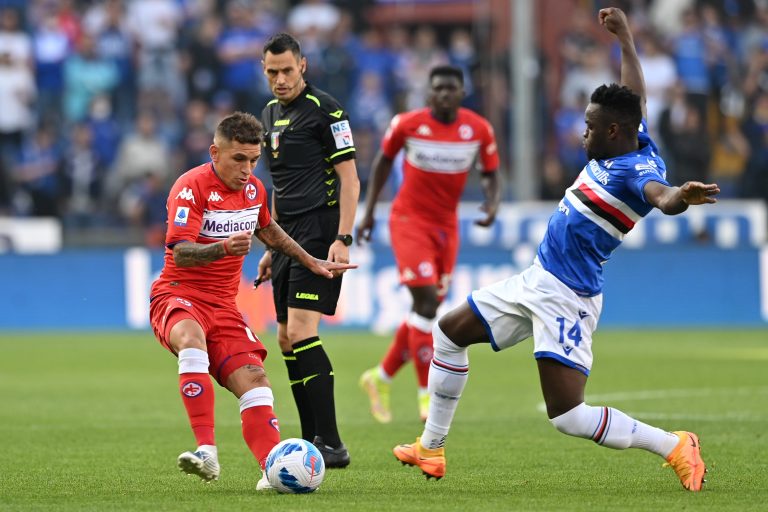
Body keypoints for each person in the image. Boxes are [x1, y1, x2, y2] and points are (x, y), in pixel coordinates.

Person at [393, 8, 714, 492]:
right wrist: (625, 38)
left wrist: (677, 198)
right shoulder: (632, 135)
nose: (581, 132)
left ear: (611, 132)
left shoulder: (637, 171)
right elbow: (634, 96)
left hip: (568, 296)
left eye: (589, 126)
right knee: (448, 333)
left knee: (568, 417)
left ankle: (674, 445)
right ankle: (431, 448)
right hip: (536, 279)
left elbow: (660, 197)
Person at [148, 111, 355, 490]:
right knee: (192, 341)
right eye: (238, 159)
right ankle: (206, 452)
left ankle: (273, 468)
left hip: (224, 306)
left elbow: (269, 230)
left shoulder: (254, 190)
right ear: (215, 152)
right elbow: (179, 253)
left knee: (257, 382)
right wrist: (222, 248)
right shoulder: (190, 187)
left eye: (254, 160)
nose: (247, 169)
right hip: (179, 293)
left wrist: (310, 260)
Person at [356, 64, 500, 423]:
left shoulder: (478, 129)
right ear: (429, 92)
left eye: (451, 89)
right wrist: (370, 211)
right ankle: (426, 395)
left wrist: (492, 201)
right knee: (425, 302)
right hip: (409, 220)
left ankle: (380, 377)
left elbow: (491, 172)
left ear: (461, 92)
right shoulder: (407, 124)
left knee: (426, 308)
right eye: (438, 89)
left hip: (446, 227)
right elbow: (382, 163)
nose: (444, 94)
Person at [256, 32, 360, 468]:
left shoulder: (327, 111)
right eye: (271, 72)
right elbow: (280, 185)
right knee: (283, 338)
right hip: (286, 236)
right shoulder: (267, 114)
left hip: (320, 230)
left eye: (286, 70)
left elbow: (351, 179)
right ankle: (307, 440)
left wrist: (343, 237)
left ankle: (332, 444)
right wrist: (270, 243)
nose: (280, 80)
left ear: (303, 66)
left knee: (302, 331)